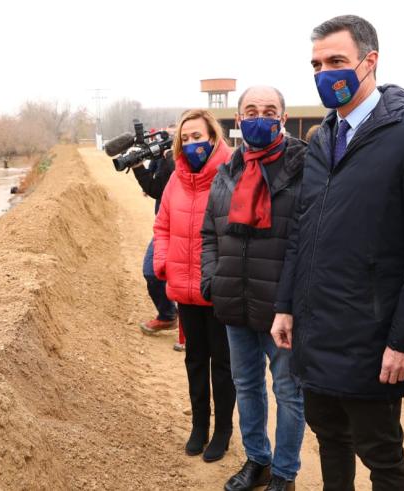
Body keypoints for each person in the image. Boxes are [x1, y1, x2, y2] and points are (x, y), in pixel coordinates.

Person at [271, 15, 404, 491]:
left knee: (380, 451)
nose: (324, 73)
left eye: (336, 61)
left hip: (372, 337)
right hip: (317, 328)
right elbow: (303, 232)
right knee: (329, 437)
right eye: (316, 64)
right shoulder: (323, 139)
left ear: (369, 61)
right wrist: (286, 304)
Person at [201, 86, 306, 491]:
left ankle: (285, 473)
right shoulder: (228, 170)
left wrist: (293, 300)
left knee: (288, 392)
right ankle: (258, 460)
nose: (259, 117)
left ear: (282, 117)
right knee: (246, 386)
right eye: (251, 110)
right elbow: (210, 231)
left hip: (281, 308)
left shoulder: (301, 168)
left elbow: (306, 238)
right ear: (238, 119)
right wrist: (213, 278)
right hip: (233, 300)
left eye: (269, 110)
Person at [153, 109, 236, 462]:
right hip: (184, 288)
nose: (191, 144)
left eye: (197, 137)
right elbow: (162, 226)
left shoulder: (231, 174)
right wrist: (163, 264)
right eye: (185, 139)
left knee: (223, 364)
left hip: (217, 288)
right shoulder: (176, 179)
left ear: (213, 137)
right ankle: (199, 425)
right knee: (195, 360)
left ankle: (223, 431)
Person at [132, 127, 180, 345]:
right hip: (165, 227)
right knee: (151, 272)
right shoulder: (163, 158)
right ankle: (168, 315)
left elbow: (180, 174)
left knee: (189, 281)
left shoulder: (187, 159)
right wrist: (137, 165)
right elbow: (156, 188)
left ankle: (191, 334)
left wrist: (170, 154)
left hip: (192, 229)